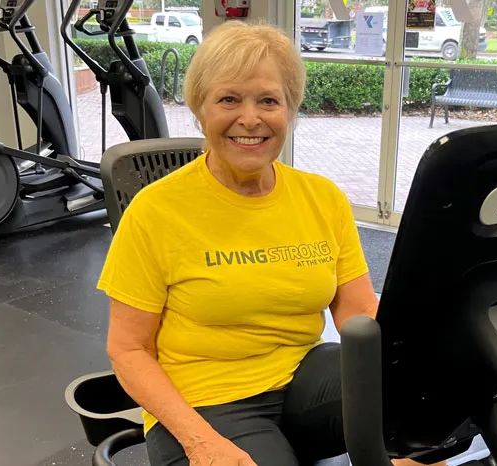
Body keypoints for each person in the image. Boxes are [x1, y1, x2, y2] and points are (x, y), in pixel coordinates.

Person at [97, 20, 446, 466]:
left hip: (303, 377)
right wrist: (199, 441)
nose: (250, 118)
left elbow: (358, 311)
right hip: (204, 402)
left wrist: (420, 374)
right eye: (228, 100)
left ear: (290, 111)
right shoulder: (155, 211)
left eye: (268, 101)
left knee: (427, 420)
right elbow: (128, 350)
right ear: (200, 110)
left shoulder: (322, 198)